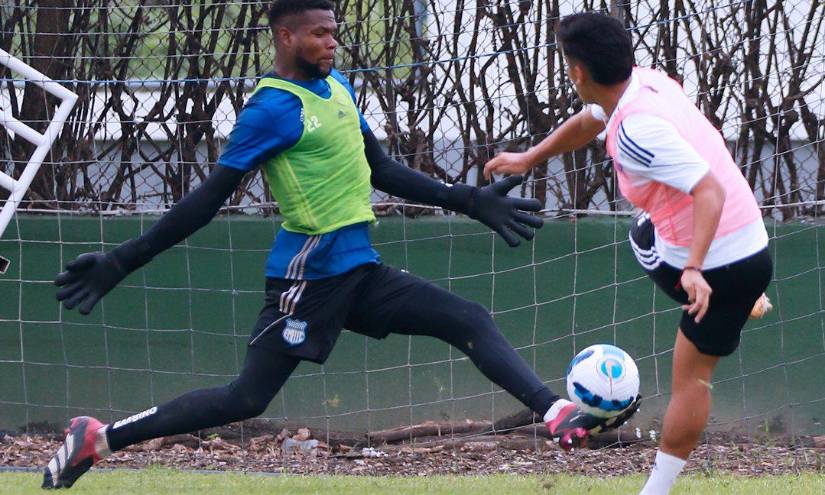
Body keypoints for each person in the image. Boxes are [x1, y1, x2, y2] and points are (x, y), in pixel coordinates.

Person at [42, 2, 638, 489]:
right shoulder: (271, 109)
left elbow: (380, 168)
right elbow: (205, 200)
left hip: (359, 268)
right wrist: (122, 260)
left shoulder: (338, 88)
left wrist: (468, 199)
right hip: (308, 279)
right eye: (320, 33)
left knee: (466, 318)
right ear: (285, 35)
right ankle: (99, 437)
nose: (332, 43)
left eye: (336, 32)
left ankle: (555, 412)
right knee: (246, 398)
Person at [484, 12, 772, 495]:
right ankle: (741, 297)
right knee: (645, 231)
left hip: (718, 265)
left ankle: (654, 492)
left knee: (692, 380)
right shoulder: (646, 84)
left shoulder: (640, 130)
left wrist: (696, 270)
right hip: (751, 245)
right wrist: (530, 157)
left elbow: (710, 192)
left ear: (577, 72)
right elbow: (589, 120)